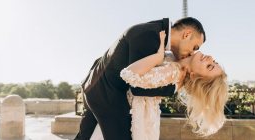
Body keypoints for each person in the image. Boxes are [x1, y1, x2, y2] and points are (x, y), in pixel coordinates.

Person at [74, 17, 206, 140]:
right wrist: (175, 87)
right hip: (106, 96)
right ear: (187, 34)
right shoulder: (150, 36)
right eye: (195, 47)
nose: (192, 53)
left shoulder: (155, 31)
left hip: (95, 86)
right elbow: (138, 88)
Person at [89, 31, 228, 139]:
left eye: (209, 66)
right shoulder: (176, 61)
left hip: (118, 110)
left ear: (194, 76)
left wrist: (158, 55)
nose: (210, 58)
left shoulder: (173, 73)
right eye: (214, 62)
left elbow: (129, 74)